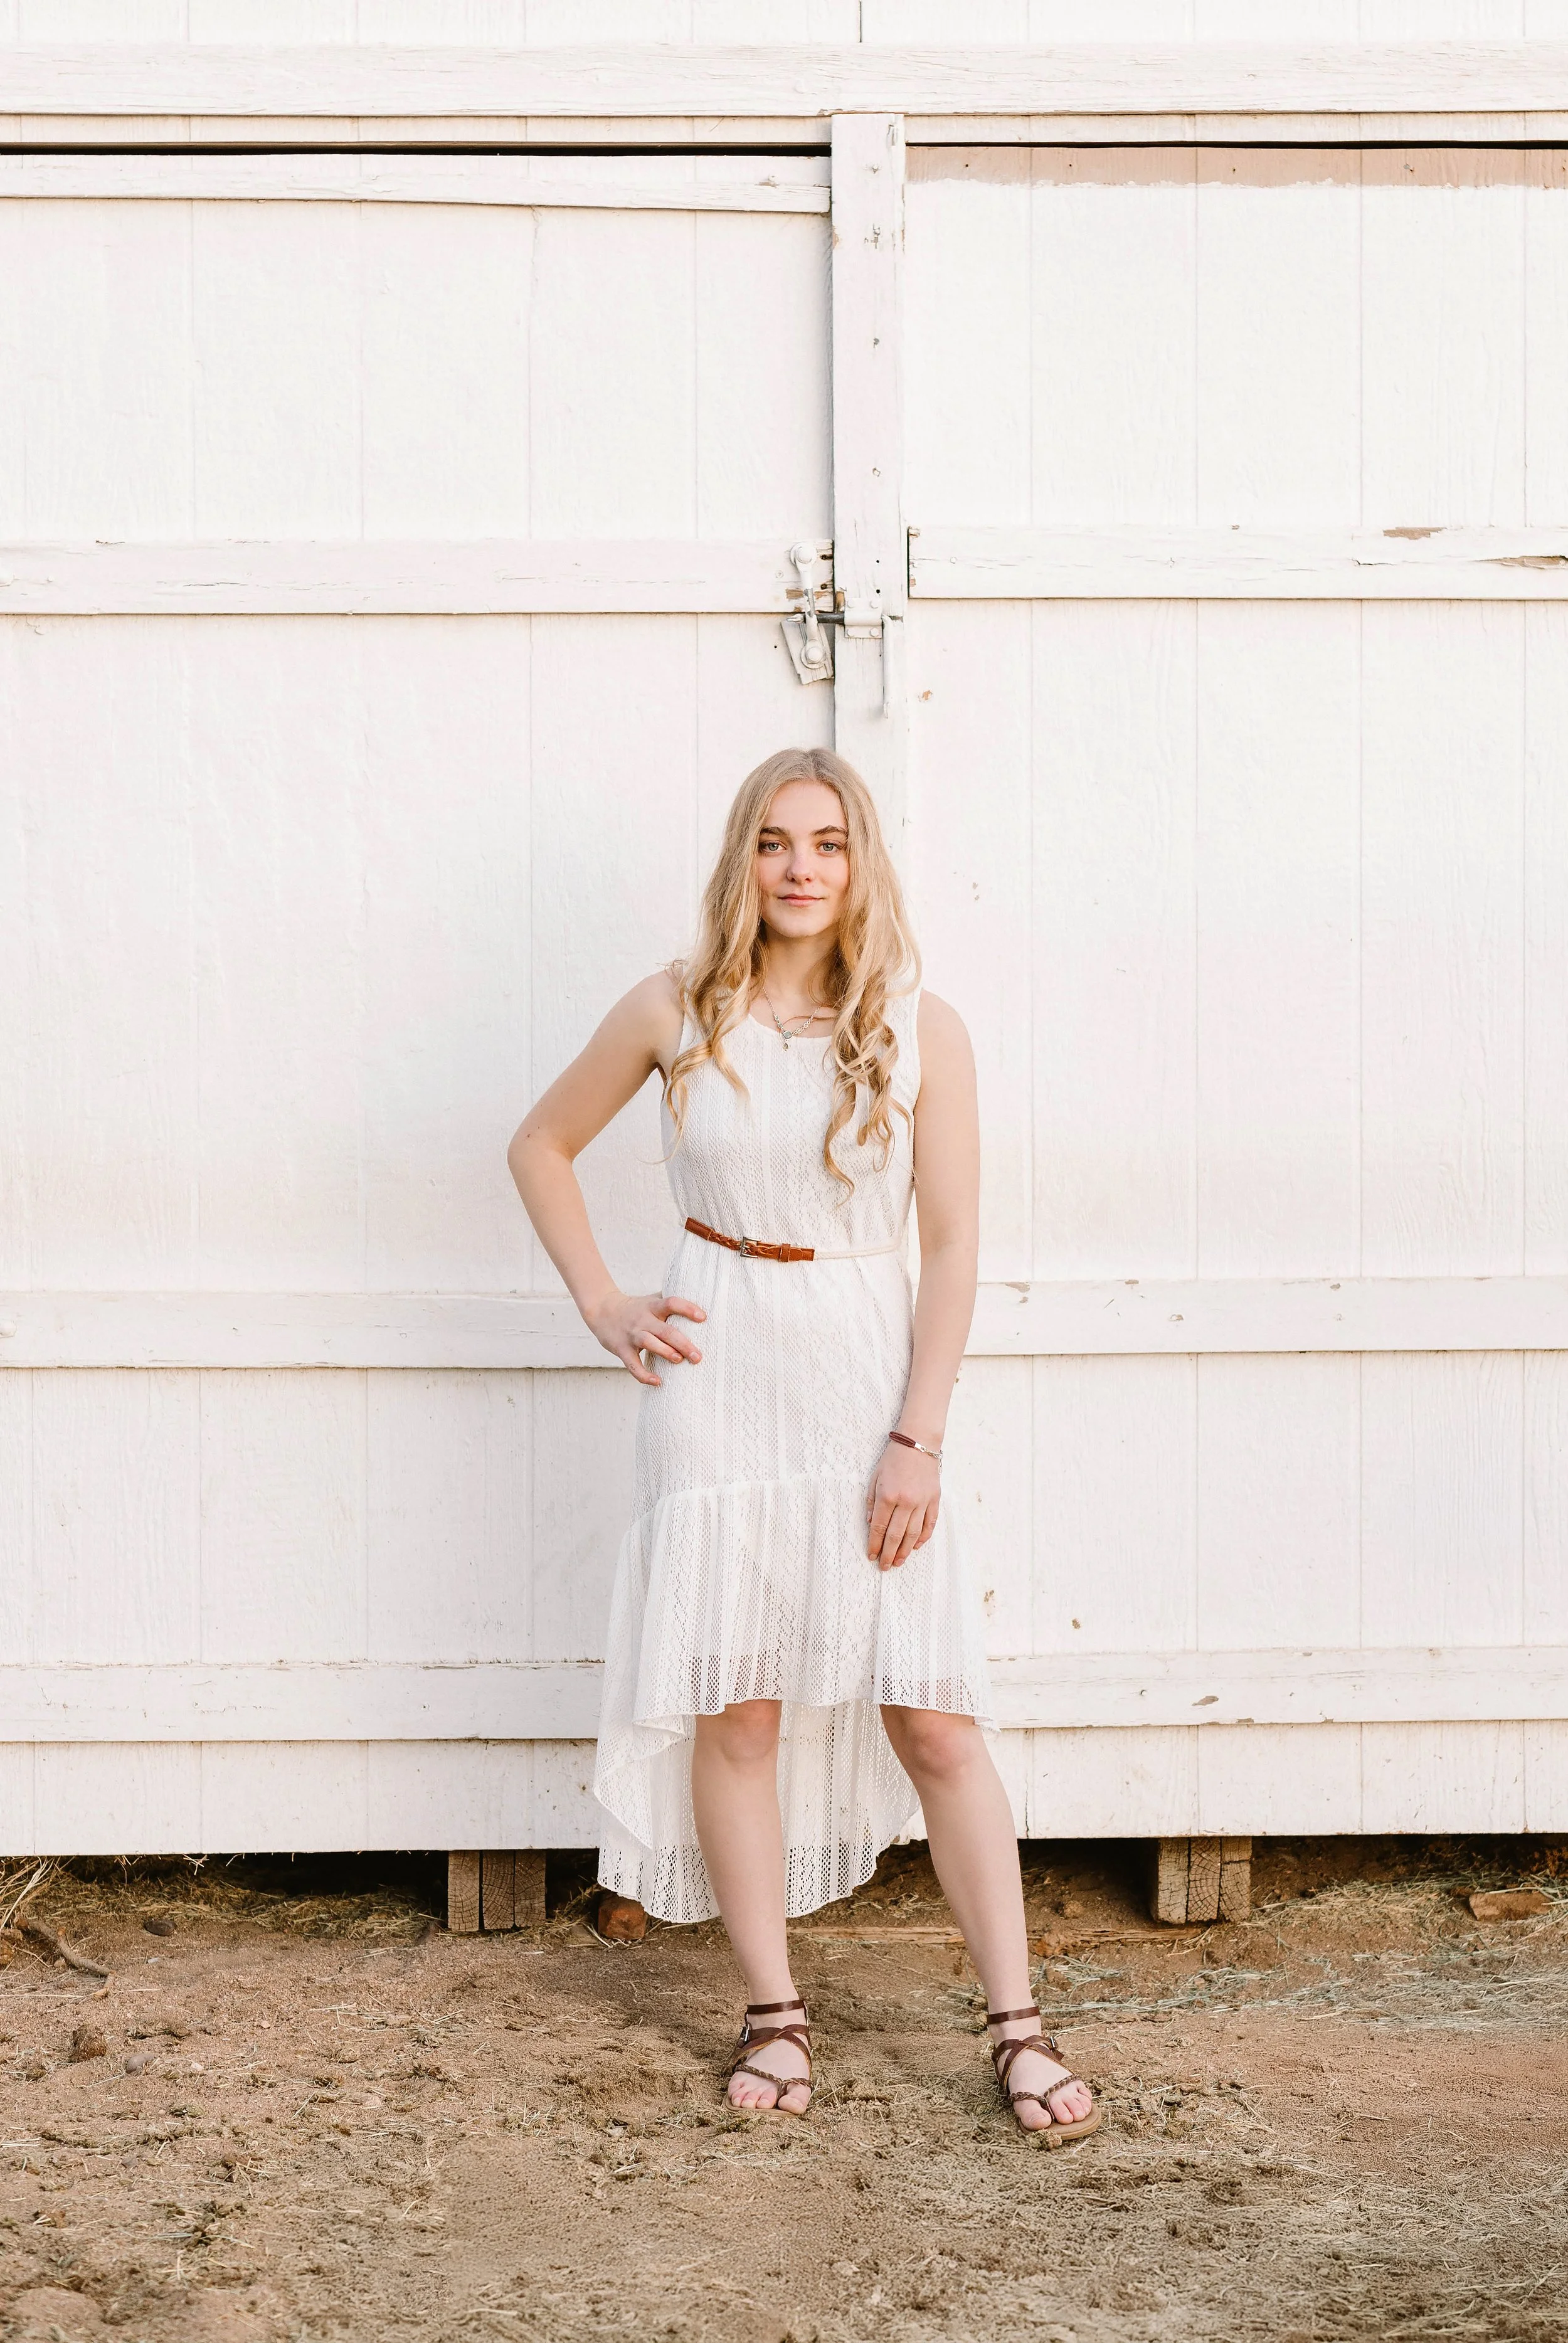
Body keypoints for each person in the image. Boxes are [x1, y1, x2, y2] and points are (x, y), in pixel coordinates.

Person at [507, 746, 1099, 2142]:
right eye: (773, 841)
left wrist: (919, 1435)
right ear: (743, 858)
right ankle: (773, 2008)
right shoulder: (675, 1007)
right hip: (716, 1380)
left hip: (859, 1381)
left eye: (825, 842)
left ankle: (1015, 2022)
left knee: (934, 1716)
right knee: (741, 1705)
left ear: (858, 860)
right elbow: (540, 1141)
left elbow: (949, 1245)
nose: (798, 867)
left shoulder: (916, 1024)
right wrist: (603, 1297)